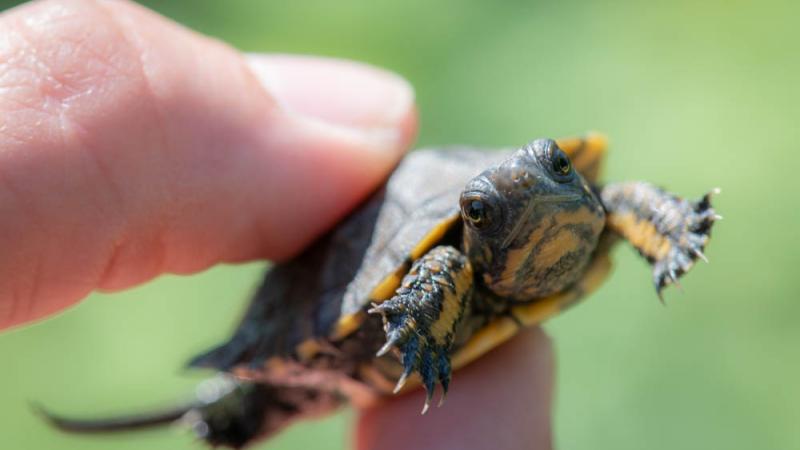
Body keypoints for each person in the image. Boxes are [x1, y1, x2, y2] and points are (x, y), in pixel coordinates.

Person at [0, 1, 553, 449]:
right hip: (352, 336)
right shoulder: (453, 254)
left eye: (556, 168)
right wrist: (425, 310)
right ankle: (237, 407)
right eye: (483, 212)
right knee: (257, 401)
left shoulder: (584, 205)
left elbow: (615, 197)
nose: (537, 191)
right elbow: (445, 255)